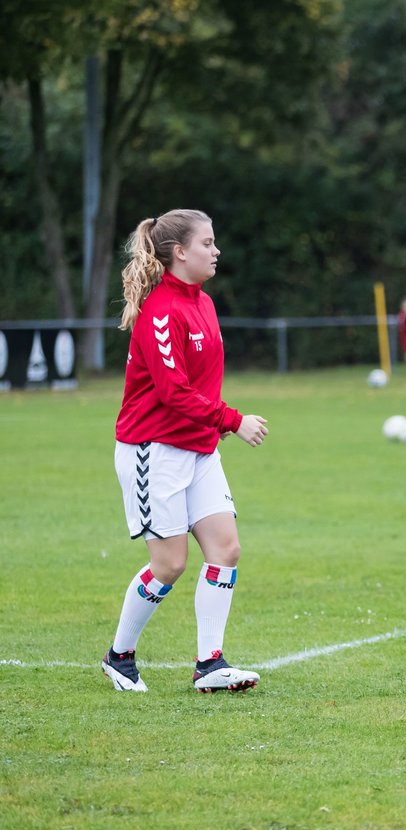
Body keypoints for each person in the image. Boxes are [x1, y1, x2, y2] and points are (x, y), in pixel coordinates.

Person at [101, 209, 269, 693]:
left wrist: (213, 432)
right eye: (207, 243)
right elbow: (173, 391)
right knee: (170, 564)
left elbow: (200, 385)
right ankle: (120, 656)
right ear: (180, 252)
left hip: (197, 450)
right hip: (153, 452)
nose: (216, 251)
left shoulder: (204, 303)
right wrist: (233, 421)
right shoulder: (160, 312)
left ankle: (210, 665)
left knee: (226, 549)